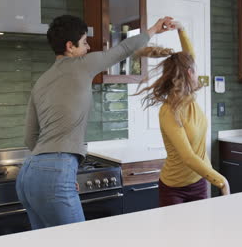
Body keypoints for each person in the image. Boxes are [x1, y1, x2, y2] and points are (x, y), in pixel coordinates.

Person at [16, 14, 175, 229]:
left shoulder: (41, 81)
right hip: (55, 169)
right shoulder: (81, 64)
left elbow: (29, 137)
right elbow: (123, 50)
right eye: (84, 42)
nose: (88, 48)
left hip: (28, 174)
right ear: (70, 46)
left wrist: (51, 170)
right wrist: (155, 28)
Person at [134, 22, 230, 207]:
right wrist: (221, 181)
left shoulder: (190, 98)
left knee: (201, 235)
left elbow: (189, 57)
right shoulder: (168, 111)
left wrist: (181, 29)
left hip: (199, 182)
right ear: (189, 73)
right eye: (195, 71)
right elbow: (188, 156)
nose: (198, 75)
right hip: (174, 189)